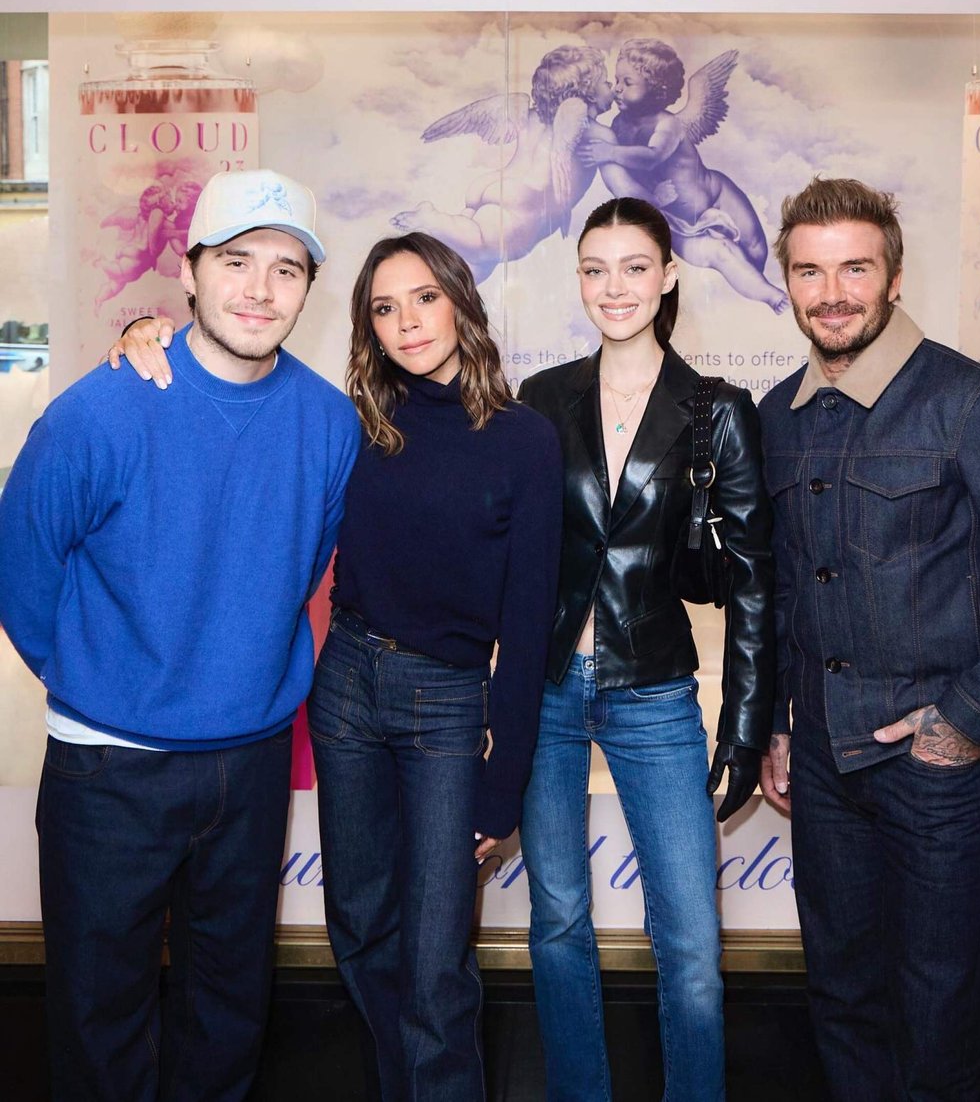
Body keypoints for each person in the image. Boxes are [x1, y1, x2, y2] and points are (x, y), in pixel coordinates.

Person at [110, 231, 563, 1102]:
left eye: (424, 298)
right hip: (347, 686)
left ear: (461, 302)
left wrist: (502, 786)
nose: (407, 322)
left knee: (435, 960)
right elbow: (224, 390)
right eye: (384, 309)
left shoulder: (524, 441)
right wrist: (143, 329)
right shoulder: (348, 421)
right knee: (357, 926)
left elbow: (529, 622)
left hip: (446, 707)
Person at [0, 168, 361, 1100]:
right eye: (237, 261)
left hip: (247, 761)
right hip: (108, 766)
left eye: (287, 270)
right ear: (191, 271)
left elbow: (303, 570)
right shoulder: (104, 407)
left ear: (307, 291)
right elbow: (23, 568)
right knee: (99, 1015)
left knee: (229, 1008)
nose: (260, 289)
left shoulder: (328, 422)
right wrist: (98, 677)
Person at [758, 176, 980, 1102]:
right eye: (810, 271)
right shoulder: (775, 418)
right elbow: (792, 586)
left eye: (854, 268)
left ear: (894, 275)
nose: (833, 292)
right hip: (827, 773)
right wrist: (787, 726)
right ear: (786, 282)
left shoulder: (973, 403)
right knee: (843, 1002)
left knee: (942, 1023)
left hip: (940, 773)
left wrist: (968, 720)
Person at [517, 196, 776, 1102]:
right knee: (556, 922)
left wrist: (743, 732)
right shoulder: (541, 400)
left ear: (668, 275)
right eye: (595, 269)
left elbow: (750, 587)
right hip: (545, 689)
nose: (614, 287)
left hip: (654, 690)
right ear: (578, 280)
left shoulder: (718, 411)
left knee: (691, 939)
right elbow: (508, 556)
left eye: (635, 267)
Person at [579, 37, 788, 313]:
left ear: (656, 89)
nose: (617, 89)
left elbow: (653, 156)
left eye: (627, 83)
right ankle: (770, 297)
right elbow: (629, 178)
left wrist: (611, 153)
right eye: (617, 81)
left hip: (717, 193)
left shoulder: (669, 124)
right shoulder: (619, 125)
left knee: (754, 246)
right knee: (722, 254)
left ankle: (758, 280)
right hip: (678, 221)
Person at [392, 45, 616, 281]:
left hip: (495, 186)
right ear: (588, 91)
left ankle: (440, 279)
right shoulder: (598, 134)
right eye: (606, 82)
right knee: (484, 245)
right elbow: (619, 184)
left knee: (473, 266)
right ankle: (432, 218)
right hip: (523, 202)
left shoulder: (526, 113)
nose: (612, 88)